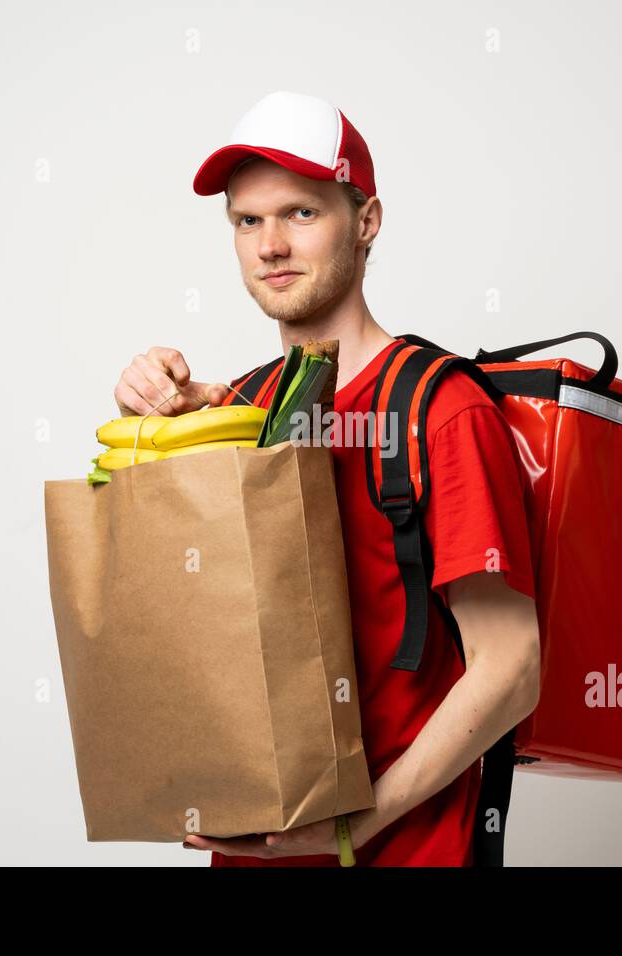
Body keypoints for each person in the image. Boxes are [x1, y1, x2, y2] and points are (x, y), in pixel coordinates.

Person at [112, 91, 539, 866]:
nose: (271, 244)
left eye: (302, 214)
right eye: (248, 221)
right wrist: (151, 427)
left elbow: (512, 669)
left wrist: (353, 826)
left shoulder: (440, 409)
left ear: (366, 220)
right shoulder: (238, 406)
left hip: (405, 851)